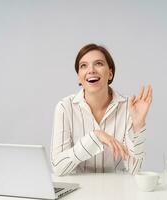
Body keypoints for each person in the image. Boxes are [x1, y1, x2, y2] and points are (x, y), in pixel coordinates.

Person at [50, 43, 153, 176]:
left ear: (110, 74)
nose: (91, 70)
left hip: (117, 191)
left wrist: (138, 126)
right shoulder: (65, 108)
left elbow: (134, 170)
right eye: (84, 66)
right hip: (79, 189)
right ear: (79, 77)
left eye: (98, 63)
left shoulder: (129, 106)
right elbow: (58, 168)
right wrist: (95, 136)